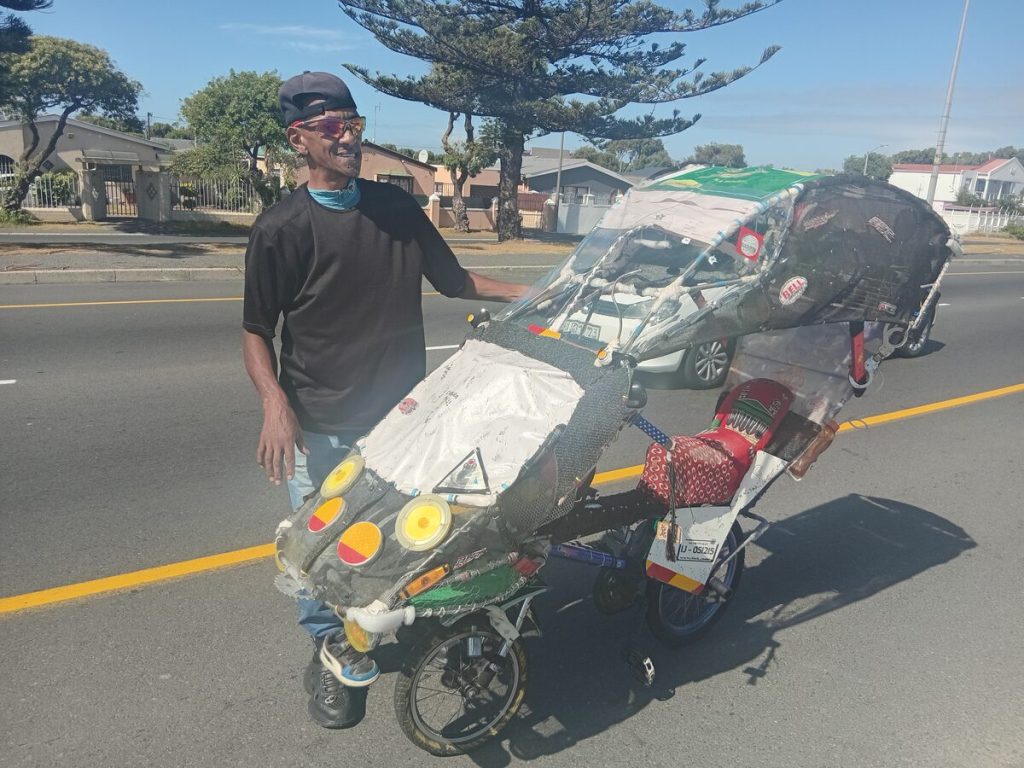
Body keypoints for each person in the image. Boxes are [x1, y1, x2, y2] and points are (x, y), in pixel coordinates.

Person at [242, 71, 529, 730]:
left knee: (407, 537)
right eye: (331, 127)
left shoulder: (396, 210)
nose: (347, 137)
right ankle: (327, 651)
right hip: (322, 426)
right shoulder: (281, 228)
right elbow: (257, 330)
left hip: (405, 423)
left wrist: (533, 294)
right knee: (320, 560)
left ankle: (389, 625)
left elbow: (455, 281)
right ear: (300, 139)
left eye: (354, 123)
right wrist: (274, 403)